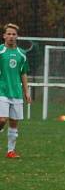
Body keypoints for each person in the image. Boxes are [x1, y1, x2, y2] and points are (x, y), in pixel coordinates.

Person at [0, 23, 31, 159]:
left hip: (16, 93)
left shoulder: (21, 54)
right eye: (9, 34)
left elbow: (23, 74)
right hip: (2, 91)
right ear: (4, 36)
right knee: (2, 119)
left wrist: (26, 91)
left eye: (14, 34)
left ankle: (10, 151)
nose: (11, 36)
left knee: (14, 122)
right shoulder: (0, 51)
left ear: (17, 36)